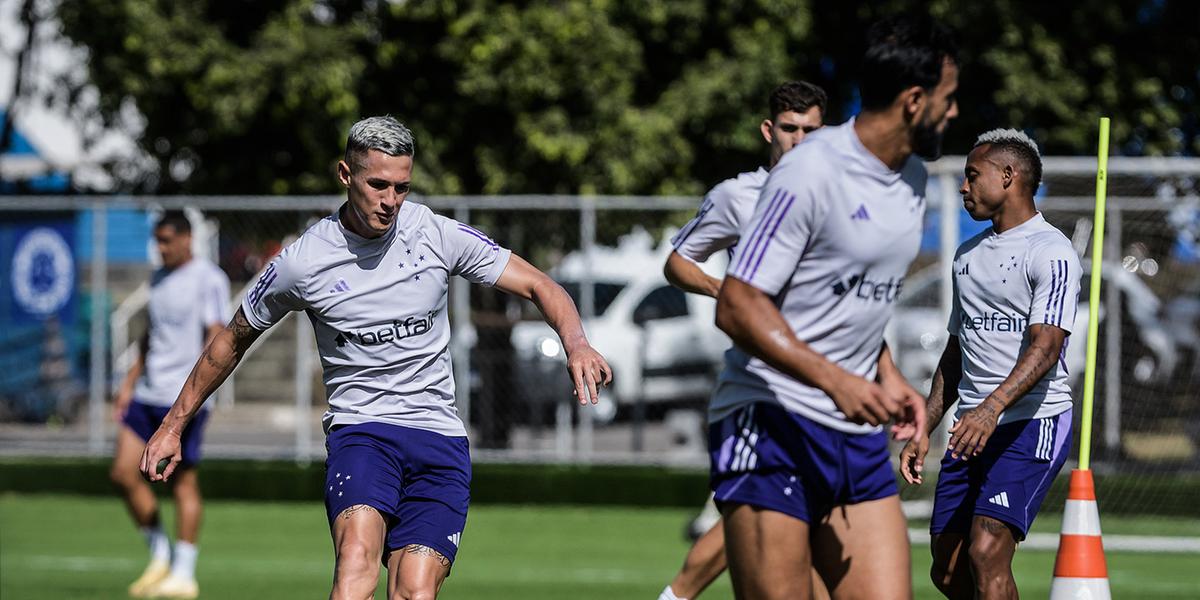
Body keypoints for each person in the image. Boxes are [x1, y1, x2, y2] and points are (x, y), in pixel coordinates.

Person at [139, 116, 612, 600]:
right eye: (378, 184)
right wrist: (174, 424)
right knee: (355, 569)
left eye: (402, 188)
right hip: (362, 432)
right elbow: (231, 340)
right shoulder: (302, 261)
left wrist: (576, 342)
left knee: (414, 592)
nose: (390, 201)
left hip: (439, 439)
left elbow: (540, 284)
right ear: (346, 175)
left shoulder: (434, 233)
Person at [710, 15, 959, 599]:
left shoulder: (915, 179)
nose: (953, 114)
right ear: (914, 101)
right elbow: (738, 305)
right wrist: (836, 381)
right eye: (948, 101)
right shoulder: (810, 170)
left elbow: (846, 299)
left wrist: (888, 377)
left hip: (854, 436)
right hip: (770, 419)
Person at [658, 80, 827, 600]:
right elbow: (678, 262)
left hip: (828, 388)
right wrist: (725, 291)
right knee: (758, 514)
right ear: (768, 130)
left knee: (811, 531)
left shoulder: (838, 197)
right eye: (791, 129)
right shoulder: (739, 196)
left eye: (811, 131)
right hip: (763, 389)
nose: (800, 140)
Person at [900, 129, 1078, 600]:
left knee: (986, 549)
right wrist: (926, 425)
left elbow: (1046, 348)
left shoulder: (1052, 251)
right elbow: (956, 352)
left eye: (972, 176)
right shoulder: (966, 256)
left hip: (1030, 422)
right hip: (971, 426)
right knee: (948, 567)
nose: (963, 187)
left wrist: (991, 408)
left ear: (1008, 176)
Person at [110, 211, 231, 599]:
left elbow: (216, 336)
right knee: (123, 473)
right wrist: (129, 384)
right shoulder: (158, 278)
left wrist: (196, 396)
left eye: (166, 240)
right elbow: (150, 336)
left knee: (183, 483)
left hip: (180, 401)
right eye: (157, 240)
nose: (160, 248)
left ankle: (184, 573)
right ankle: (160, 555)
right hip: (146, 394)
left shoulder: (208, 279)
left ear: (186, 239)